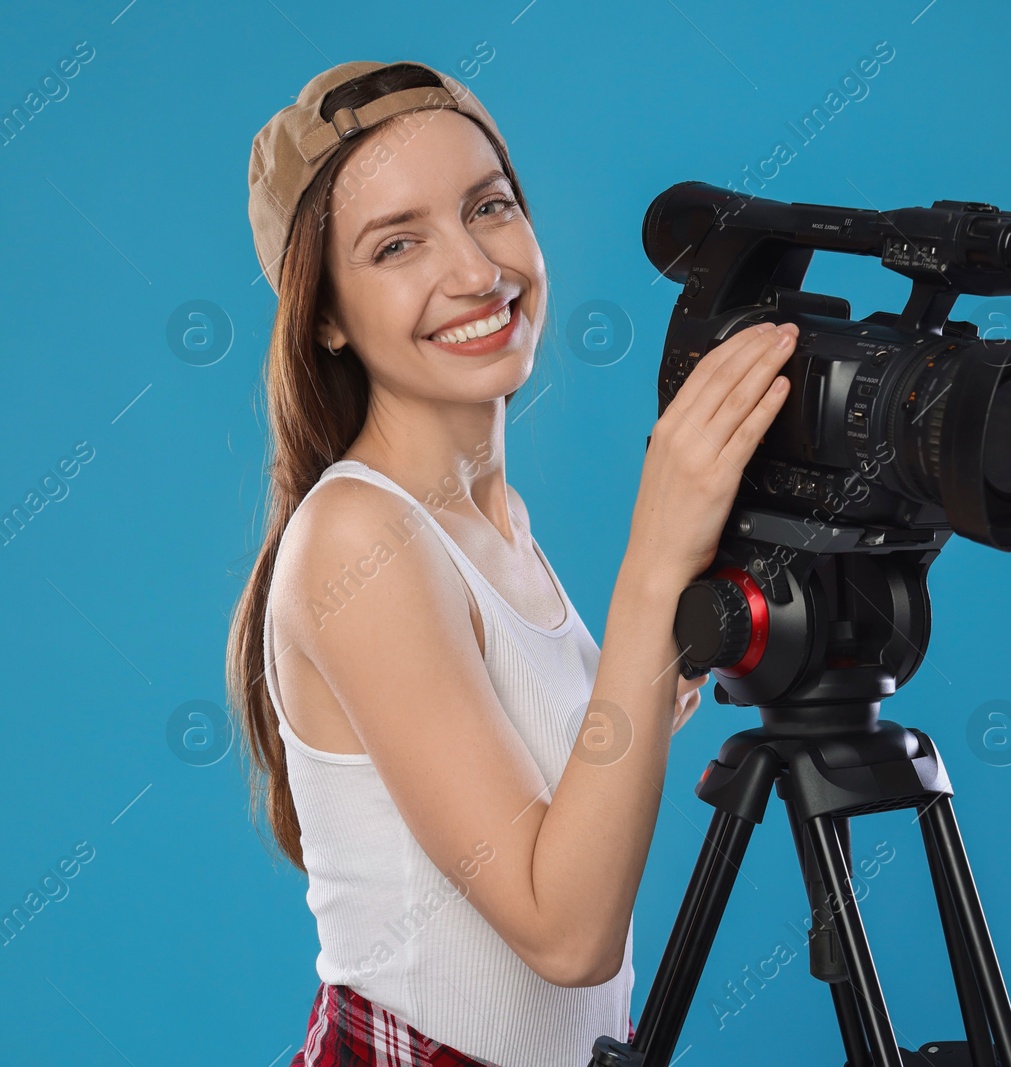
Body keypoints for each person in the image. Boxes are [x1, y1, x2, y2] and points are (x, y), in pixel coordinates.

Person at [225, 59, 797, 1067]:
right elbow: (564, 932)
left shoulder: (497, 524)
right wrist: (653, 560)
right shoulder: (359, 535)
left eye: (487, 207)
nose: (474, 269)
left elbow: (572, 794)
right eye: (397, 243)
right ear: (324, 314)